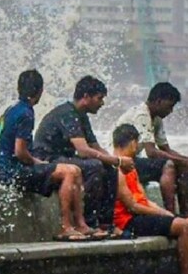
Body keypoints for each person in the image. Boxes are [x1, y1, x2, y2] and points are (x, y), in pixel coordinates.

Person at [112, 123, 188, 274]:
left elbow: (144, 199)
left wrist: (165, 212)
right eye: (137, 144)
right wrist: (163, 216)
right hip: (129, 221)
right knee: (185, 227)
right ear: (133, 143)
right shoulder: (117, 168)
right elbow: (132, 206)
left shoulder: (131, 167)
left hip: (143, 215)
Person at [0, 70, 95, 241]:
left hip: (5, 170)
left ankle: (81, 224)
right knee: (69, 172)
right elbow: (20, 152)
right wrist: (37, 162)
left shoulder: (11, 109)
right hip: (13, 173)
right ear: (40, 91)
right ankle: (65, 227)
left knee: (76, 170)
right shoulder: (26, 113)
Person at [33, 75, 131, 238]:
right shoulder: (68, 113)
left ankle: (106, 224)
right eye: (99, 98)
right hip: (47, 160)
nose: (102, 103)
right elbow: (83, 151)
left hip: (63, 158)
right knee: (94, 167)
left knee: (109, 168)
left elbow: (95, 147)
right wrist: (118, 160)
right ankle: (89, 223)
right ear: (86, 97)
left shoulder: (82, 115)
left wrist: (116, 162)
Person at [113, 82, 188, 217]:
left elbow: (165, 149)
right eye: (170, 106)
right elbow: (151, 152)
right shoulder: (142, 115)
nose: (171, 111)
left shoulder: (156, 119)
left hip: (134, 160)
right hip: (121, 163)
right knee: (168, 165)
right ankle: (170, 216)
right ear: (158, 101)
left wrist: (187, 160)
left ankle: (186, 216)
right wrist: (184, 161)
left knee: (181, 167)